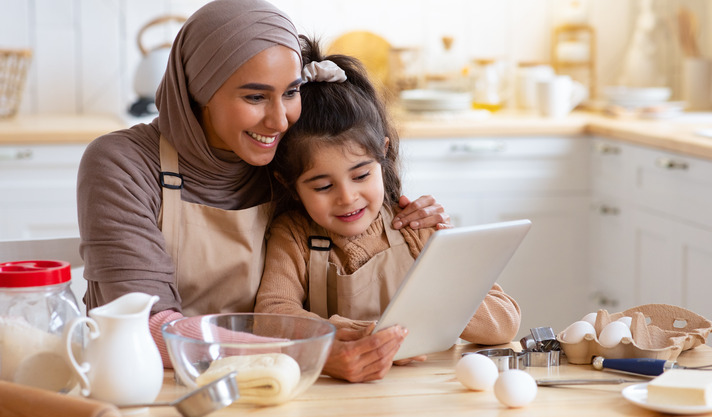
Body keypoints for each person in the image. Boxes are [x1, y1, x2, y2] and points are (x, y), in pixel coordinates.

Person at [76, 0, 448, 382]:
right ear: (199, 91)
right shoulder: (121, 164)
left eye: (290, 92)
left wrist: (417, 228)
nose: (279, 120)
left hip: (278, 383)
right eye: (255, 97)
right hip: (148, 384)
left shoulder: (286, 159)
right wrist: (305, 353)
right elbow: (147, 329)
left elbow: (351, 223)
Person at [255, 37, 521, 381]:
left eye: (361, 174)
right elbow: (272, 316)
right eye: (323, 186)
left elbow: (505, 323)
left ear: (383, 152)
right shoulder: (293, 234)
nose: (347, 197)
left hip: (421, 398)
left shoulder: (416, 225)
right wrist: (356, 332)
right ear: (290, 183)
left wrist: (445, 279)